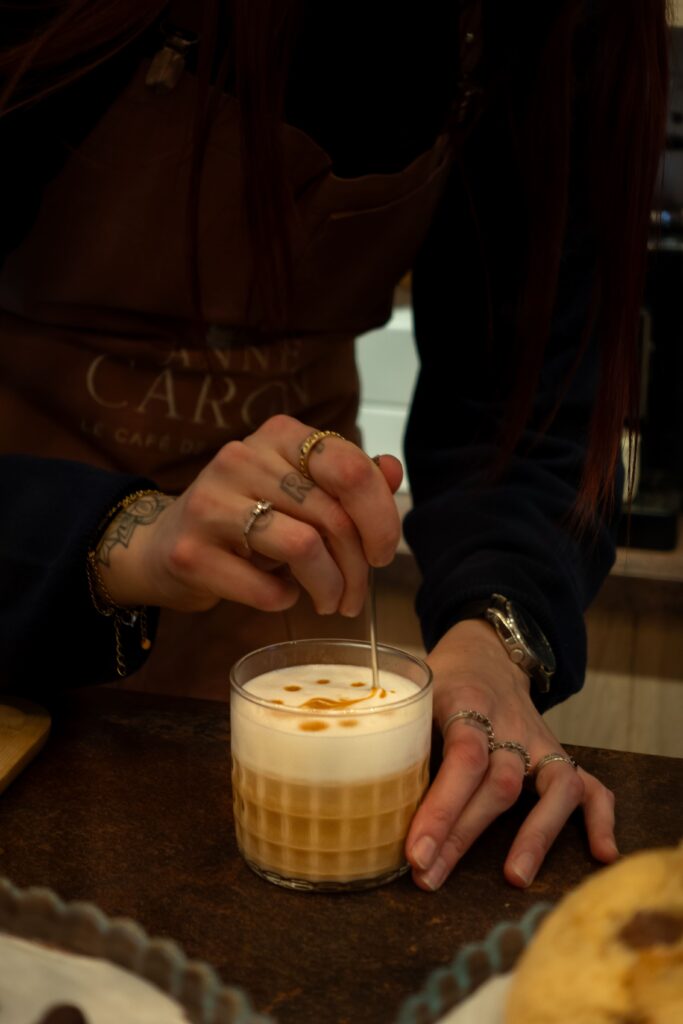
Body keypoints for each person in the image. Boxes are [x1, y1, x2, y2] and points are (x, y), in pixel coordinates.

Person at [0, 0, 669, 892]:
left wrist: (495, 633)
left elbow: (529, 398)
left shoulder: (542, 24)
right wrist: (115, 535)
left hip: (271, 611)